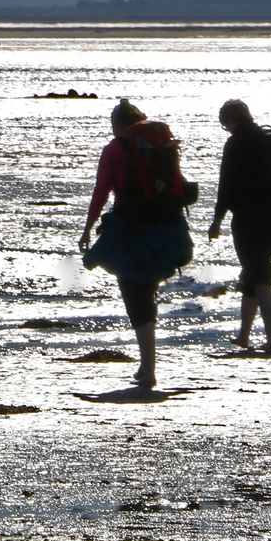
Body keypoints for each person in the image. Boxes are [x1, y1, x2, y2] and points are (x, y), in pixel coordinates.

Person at [79, 99, 196, 389]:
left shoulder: (115, 149)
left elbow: (101, 192)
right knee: (147, 294)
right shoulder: (159, 147)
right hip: (167, 226)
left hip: (132, 229)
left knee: (136, 297)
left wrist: (88, 228)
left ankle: (149, 368)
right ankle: (146, 365)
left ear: (118, 125)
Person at [207, 99, 271, 351]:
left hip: (249, 213)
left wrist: (217, 219)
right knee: (254, 271)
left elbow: (226, 184)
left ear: (230, 120)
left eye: (224, 124)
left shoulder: (236, 143)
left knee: (260, 275)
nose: (226, 129)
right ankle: (244, 336)